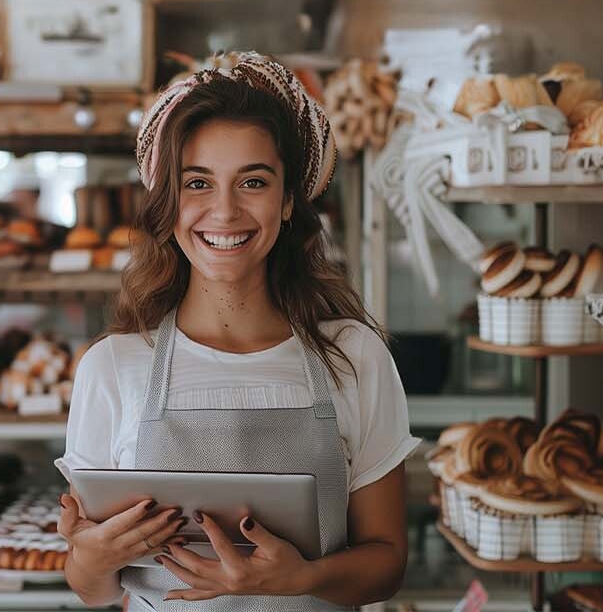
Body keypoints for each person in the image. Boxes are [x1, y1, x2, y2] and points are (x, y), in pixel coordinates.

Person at [57, 52, 417, 611]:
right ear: (169, 205)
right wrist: (91, 559)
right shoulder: (112, 367)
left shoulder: (353, 356)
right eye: (197, 183)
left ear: (289, 201)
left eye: (253, 181)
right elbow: (94, 592)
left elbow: (388, 563)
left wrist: (302, 579)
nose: (223, 212)